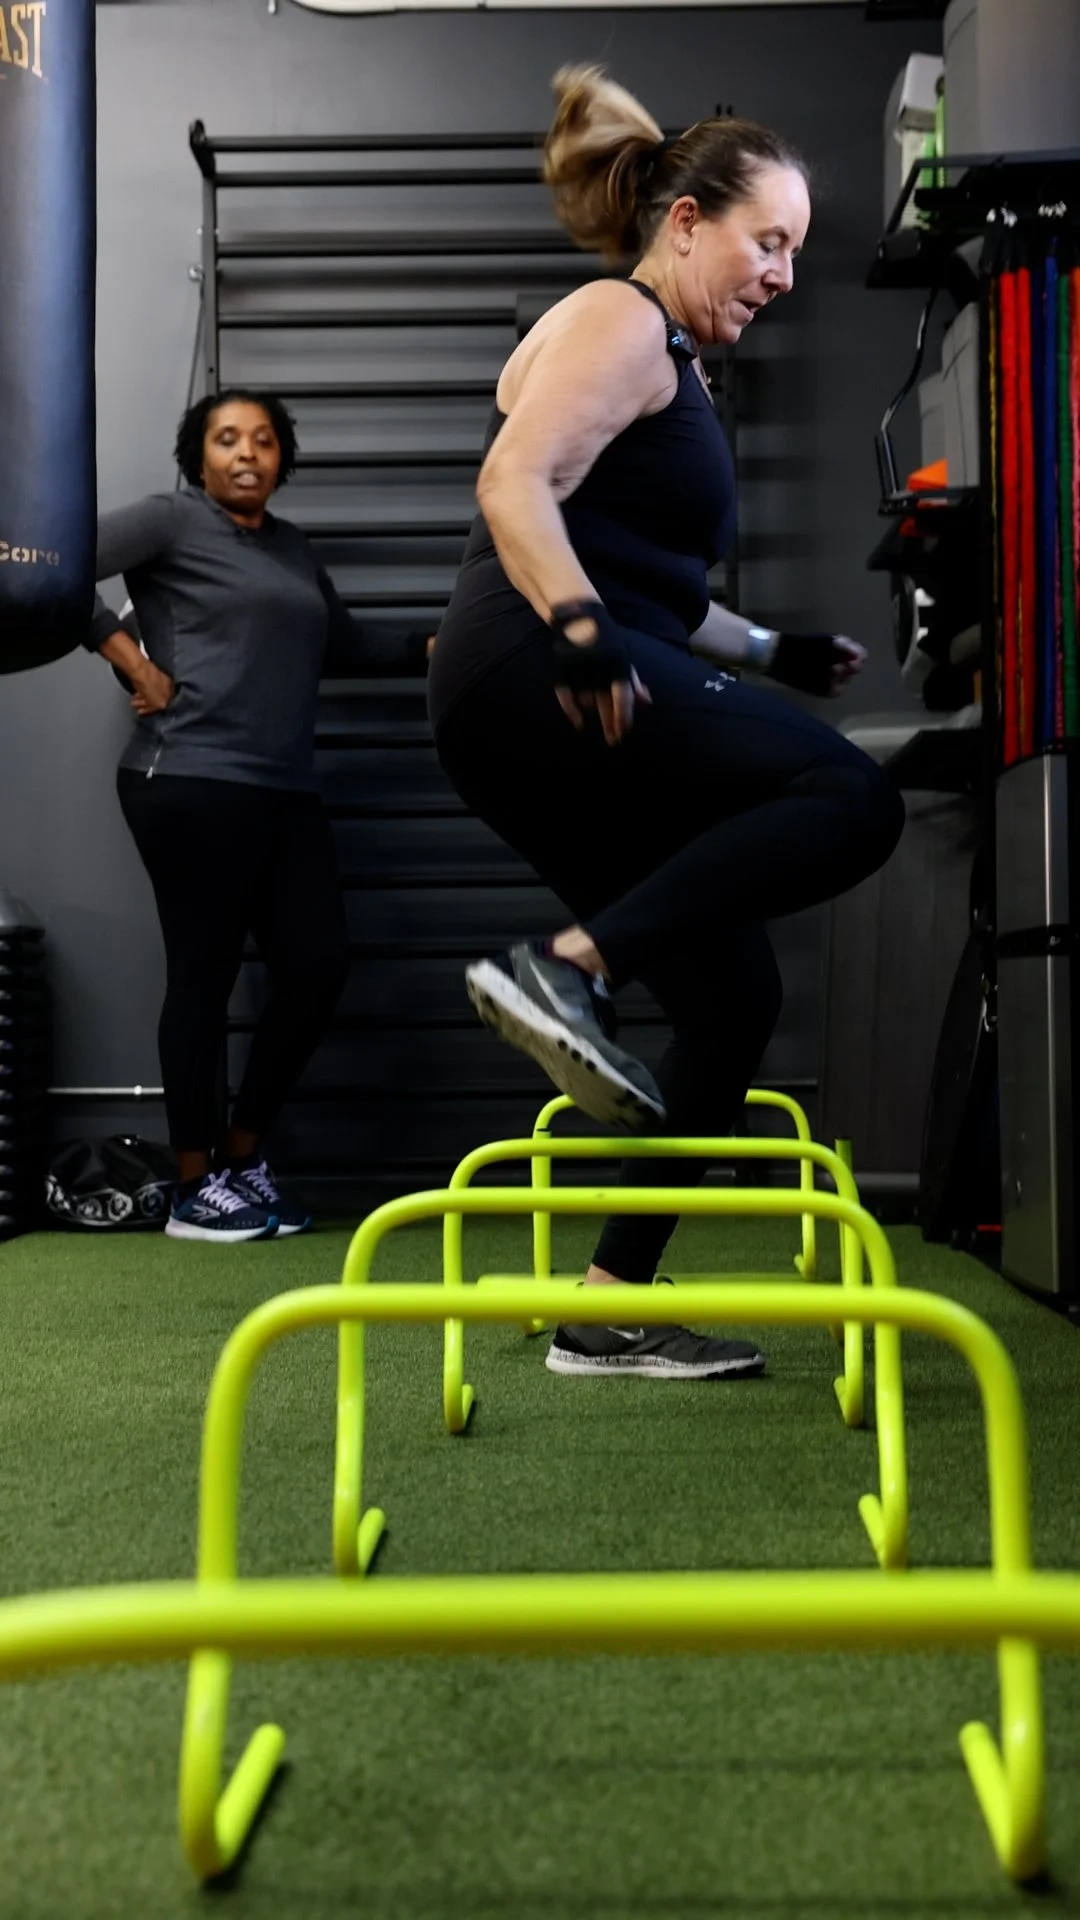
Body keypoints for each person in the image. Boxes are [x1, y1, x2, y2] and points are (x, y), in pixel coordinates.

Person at [427, 69, 905, 1379]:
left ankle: (604, 1306)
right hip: (537, 664)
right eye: (771, 243)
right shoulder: (617, 318)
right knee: (850, 800)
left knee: (733, 997)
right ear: (686, 221)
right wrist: (579, 630)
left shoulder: (672, 366)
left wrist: (774, 650)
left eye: (795, 253)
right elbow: (515, 481)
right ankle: (570, 964)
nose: (784, 276)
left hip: (560, 671)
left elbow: (657, 590)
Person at [86, 389, 377, 1243]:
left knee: (318, 964)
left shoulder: (291, 549)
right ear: (198, 456)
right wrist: (129, 659)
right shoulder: (170, 523)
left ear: (283, 458)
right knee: (205, 975)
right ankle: (191, 1187)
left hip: (281, 788)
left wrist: (455, 645)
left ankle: (240, 1159)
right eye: (226, 440)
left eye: (262, 441)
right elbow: (42, 565)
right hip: (188, 778)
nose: (246, 453)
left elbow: (350, 648)